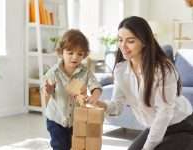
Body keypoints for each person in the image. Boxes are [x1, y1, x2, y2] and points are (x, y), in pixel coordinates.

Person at [97, 16, 193, 150]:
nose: (123, 46)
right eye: (120, 40)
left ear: (144, 41)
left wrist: (147, 147)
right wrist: (99, 104)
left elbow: (164, 114)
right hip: (154, 126)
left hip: (181, 125)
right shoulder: (121, 70)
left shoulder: (163, 70)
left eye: (130, 41)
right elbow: (117, 106)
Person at [42, 29, 102, 150]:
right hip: (56, 120)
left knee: (76, 146)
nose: (75, 57)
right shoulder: (53, 72)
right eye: (70, 53)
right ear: (61, 52)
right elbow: (45, 96)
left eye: (80, 54)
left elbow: (96, 86)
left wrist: (94, 97)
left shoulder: (85, 72)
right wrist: (48, 91)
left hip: (77, 120)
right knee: (60, 147)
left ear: (84, 55)